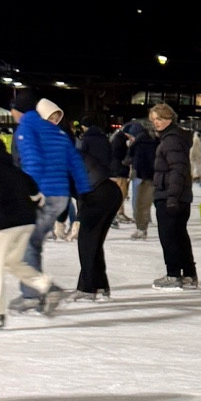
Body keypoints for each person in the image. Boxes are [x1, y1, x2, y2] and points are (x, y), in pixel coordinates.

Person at [0, 120, 66, 326]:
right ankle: (49, 288)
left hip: (9, 220)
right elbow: (26, 179)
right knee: (12, 262)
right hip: (23, 217)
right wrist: (34, 196)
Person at [10, 93, 90, 312]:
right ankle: (33, 293)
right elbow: (74, 163)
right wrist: (83, 191)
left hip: (42, 193)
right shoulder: (58, 134)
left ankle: (33, 295)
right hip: (58, 195)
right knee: (31, 244)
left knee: (26, 244)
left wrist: (32, 193)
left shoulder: (28, 131)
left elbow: (31, 162)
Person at [71, 125, 125, 300]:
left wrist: (79, 217)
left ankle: (88, 288)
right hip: (109, 192)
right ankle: (100, 286)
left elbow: (81, 187)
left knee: (87, 242)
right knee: (93, 242)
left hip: (98, 194)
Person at [149, 103, 198, 288]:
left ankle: (173, 274)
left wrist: (171, 197)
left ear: (170, 118)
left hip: (171, 195)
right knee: (179, 236)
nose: (156, 123)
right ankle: (189, 275)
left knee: (169, 236)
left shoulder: (170, 140)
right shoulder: (175, 138)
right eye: (154, 120)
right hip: (179, 196)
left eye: (160, 119)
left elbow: (177, 170)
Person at [128, 122, 157, 238]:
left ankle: (141, 228)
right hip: (153, 175)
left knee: (140, 203)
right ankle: (143, 225)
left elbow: (134, 158)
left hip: (142, 176)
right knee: (146, 203)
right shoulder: (153, 141)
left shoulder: (139, 143)